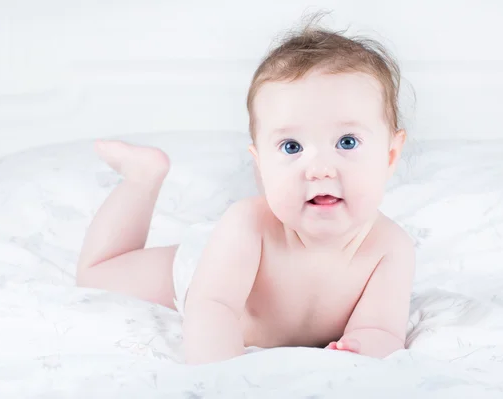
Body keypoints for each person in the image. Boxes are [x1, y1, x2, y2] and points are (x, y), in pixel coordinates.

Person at [75, 21, 416, 365]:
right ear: (261, 166)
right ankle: (142, 177)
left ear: (390, 155)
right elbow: (211, 308)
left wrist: (360, 351)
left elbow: (381, 330)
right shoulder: (249, 225)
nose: (320, 169)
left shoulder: (390, 247)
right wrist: (221, 374)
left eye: (347, 142)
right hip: (204, 271)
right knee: (96, 275)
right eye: (292, 146)